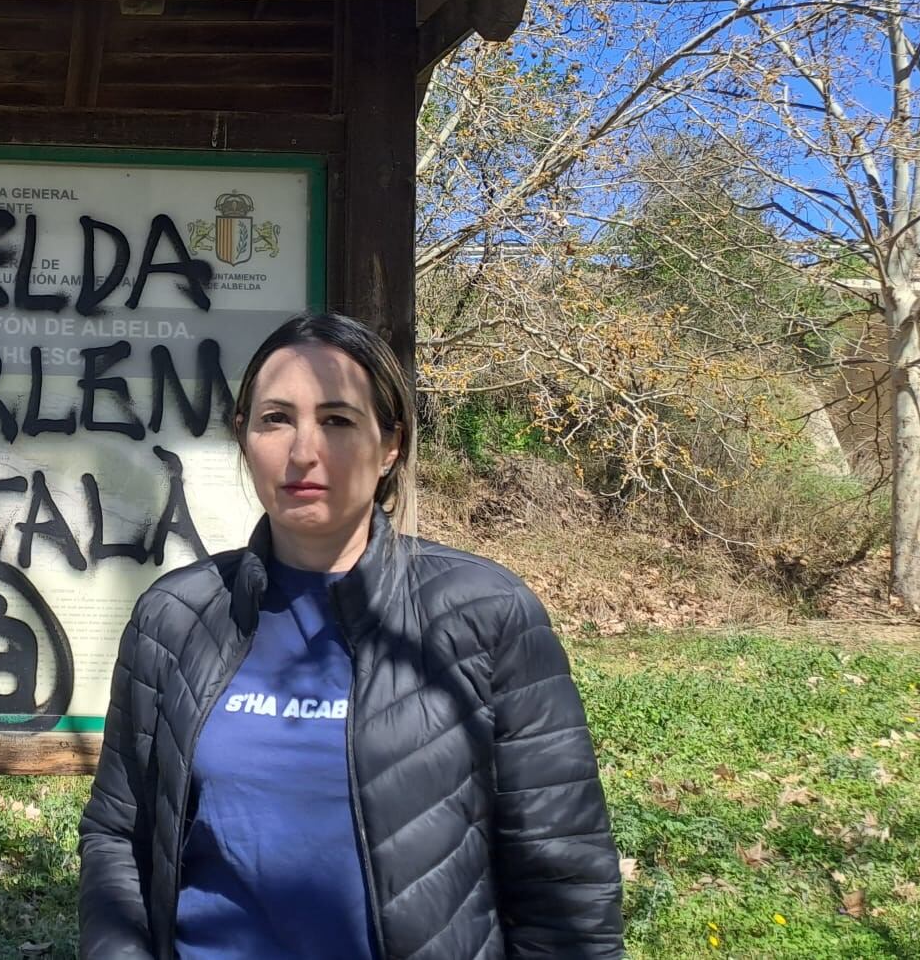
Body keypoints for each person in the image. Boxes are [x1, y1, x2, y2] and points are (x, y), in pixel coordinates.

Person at [78, 311, 622, 960]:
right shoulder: (177, 616)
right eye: (276, 418)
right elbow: (118, 833)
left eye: (337, 420)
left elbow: (563, 871)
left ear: (390, 444)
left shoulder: (484, 614)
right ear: (244, 436)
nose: (303, 452)